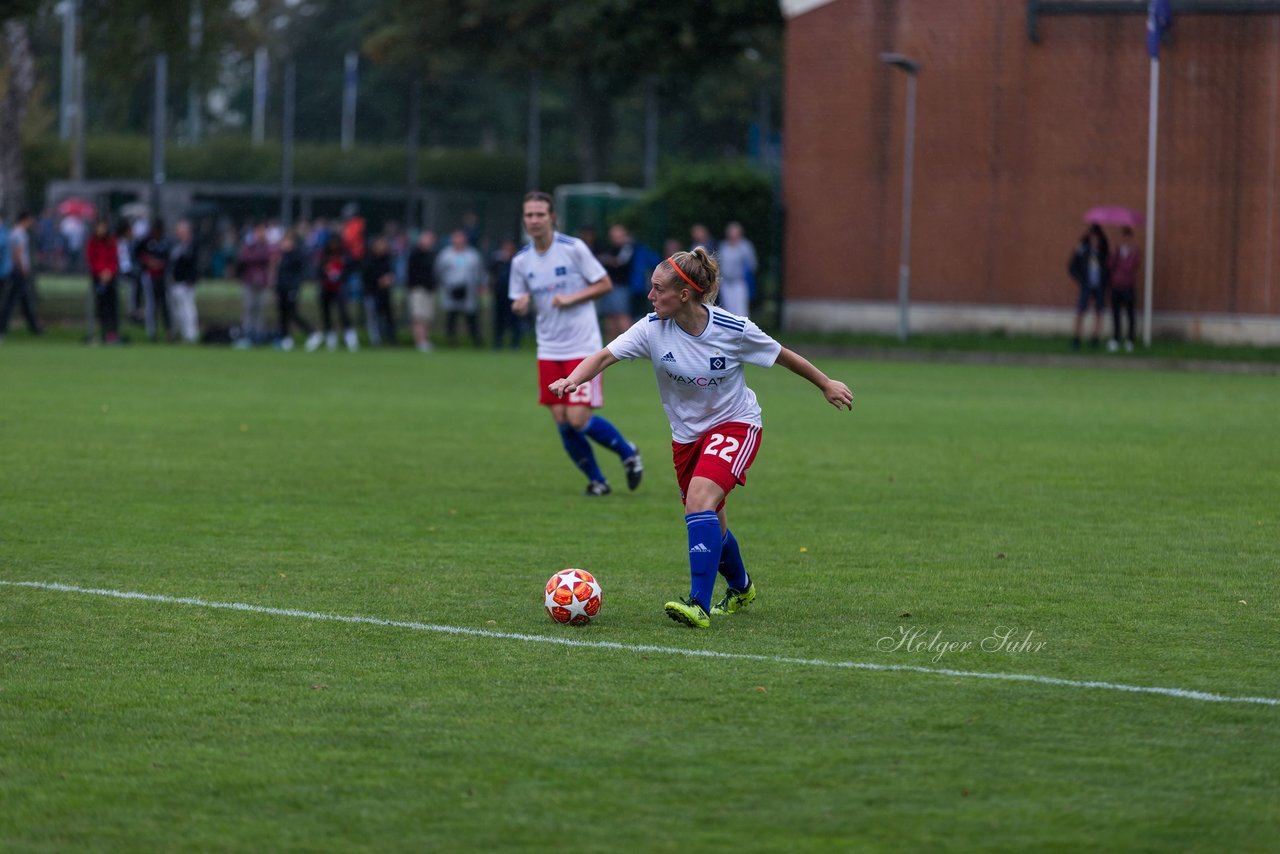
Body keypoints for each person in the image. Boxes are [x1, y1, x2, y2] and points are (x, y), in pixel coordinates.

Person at [549, 248, 853, 627]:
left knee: (698, 502)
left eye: (658, 289)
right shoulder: (650, 329)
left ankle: (698, 603)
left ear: (684, 295)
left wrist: (825, 383)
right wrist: (573, 380)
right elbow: (603, 357)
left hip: (736, 425)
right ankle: (741, 587)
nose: (650, 296)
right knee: (713, 522)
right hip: (686, 439)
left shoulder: (733, 329)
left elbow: (782, 355)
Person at [510, 191, 644, 497]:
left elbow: (604, 283)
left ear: (552, 217)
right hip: (548, 348)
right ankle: (598, 481)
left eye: (540, 214)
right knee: (562, 421)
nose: (534, 220)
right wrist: (519, 305)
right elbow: (518, 299)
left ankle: (628, 452)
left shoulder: (573, 249)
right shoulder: (521, 260)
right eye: (529, 215)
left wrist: (571, 297)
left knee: (578, 418)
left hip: (582, 346)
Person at [0, 211, 46, 342]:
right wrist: (22, 268)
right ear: (24, 219)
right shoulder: (19, 233)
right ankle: (2, 328)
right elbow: (17, 252)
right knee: (11, 301)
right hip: (17, 271)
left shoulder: (12, 232)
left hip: (13, 270)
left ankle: (34, 326)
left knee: (24, 299)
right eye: (30, 220)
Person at [436, 228, 485, 347]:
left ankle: (476, 341)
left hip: (469, 291)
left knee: (471, 317)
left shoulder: (472, 255)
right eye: (456, 238)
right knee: (451, 316)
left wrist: (480, 285)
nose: (458, 241)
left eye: (460, 238)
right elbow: (439, 271)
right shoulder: (445, 255)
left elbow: (479, 272)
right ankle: (451, 340)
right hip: (451, 290)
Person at [312, 235, 358, 352]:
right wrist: (325, 275)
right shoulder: (324, 258)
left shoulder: (344, 257)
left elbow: (349, 269)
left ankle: (350, 338)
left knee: (343, 312)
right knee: (326, 313)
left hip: (340, 287)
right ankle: (330, 339)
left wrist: (340, 278)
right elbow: (318, 271)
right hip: (326, 288)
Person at [1068, 224, 1109, 350]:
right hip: (1086, 286)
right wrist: (1080, 279)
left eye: (1097, 239)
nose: (1094, 241)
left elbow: (1108, 269)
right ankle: (1076, 338)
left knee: (1098, 311)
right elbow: (1072, 266)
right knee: (1080, 310)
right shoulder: (1083, 251)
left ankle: (1095, 338)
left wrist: (1105, 282)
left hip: (1099, 287)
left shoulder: (1103, 253)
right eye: (1092, 238)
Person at [273, 230, 317, 351]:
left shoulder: (297, 255)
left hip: (292, 287)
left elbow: (302, 271)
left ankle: (312, 332)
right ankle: (285, 339)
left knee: (292, 313)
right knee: (283, 313)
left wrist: (296, 285)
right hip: (282, 287)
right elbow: (279, 274)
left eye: (287, 241)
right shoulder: (282, 256)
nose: (284, 243)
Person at [134, 219, 173, 342]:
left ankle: (169, 331)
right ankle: (152, 332)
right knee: (151, 305)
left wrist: (160, 264)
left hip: (162, 277)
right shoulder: (146, 241)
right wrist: (148, 261)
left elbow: (168, 259)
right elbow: (137, 254)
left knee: (165, 305)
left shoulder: (165, 242)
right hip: (149, 277)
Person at [236, 223, 273, 347]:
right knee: (248, 307)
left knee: (260, 308)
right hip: (249, 281)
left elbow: (268, 257)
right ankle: (247, 334)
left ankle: (258, 335)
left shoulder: (267, 246)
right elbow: (244, 258)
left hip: (262, 281)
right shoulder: (249, 246)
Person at [596, 224, 636, 340]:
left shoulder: (627, 247)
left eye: (617, 234)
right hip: (610, 286)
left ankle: (632, 342)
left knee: (622, 315)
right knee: (610, 317)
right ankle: (611, 347)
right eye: (613, 235)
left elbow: (619, 262)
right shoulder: (610, 248)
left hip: (621, 287)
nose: (614, 237)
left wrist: (607, 260)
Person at [85, 219, 121, 344]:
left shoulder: (111, 242)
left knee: (113, 305)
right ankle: (105, 332)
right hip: (98, 277)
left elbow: (114, 259)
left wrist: (109, 272)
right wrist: (100, 273)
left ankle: (114, 332)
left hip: (111, 276)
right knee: (102, 306)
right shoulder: (92, 242)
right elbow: (91, 260)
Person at [1108, 226, 1140, 352]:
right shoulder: (1116, 250)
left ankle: (1130, 339)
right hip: (1116, 286)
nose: (1125, 240)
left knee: (1130, 314)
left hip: (1128, 286)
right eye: (1123, 237)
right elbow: (1110, 264)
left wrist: (1123, 258)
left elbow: (1131, 267)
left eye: (1127, 237)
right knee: (1116, 314)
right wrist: (1115, 253)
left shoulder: (1135, 252)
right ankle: (1115, 338)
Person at [406, 230, 438, 353]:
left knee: (426, 317)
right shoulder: (415, 254)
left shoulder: (431, 255)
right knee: (418, 316)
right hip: (418, 289)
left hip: (429, 290)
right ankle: (420, 341)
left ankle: (424, 339)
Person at [717, 222, 758, 317]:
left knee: (741, 309)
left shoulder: (745, 246)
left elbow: (752, 264)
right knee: (728, 309)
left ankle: (742, 331)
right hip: (725, 282)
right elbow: (718, 263)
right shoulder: (723, 246)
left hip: (739, 282)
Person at [362, 236, 398, 346]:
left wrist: (389, 279)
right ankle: (376, 340)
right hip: (372, 293)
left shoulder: (387, 260)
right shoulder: (368, 260)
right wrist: (379, 281)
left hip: (384, 293)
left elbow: (391, 274)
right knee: (373, 317)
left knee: (388, 316)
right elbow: (366, 277)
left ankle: (391, 339)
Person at [169, 220, 200, 344]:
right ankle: (181, 332)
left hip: (186, 283)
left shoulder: (192, 246)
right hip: (175, 281)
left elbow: (193, 264)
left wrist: (191, 279)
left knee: (188, 309)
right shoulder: (176, 246)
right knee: (177, 310)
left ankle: (191, 334)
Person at [489, 238, 523, 350]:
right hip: (500, 295)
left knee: (515, 320)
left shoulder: (518, 260)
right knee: (499, 320)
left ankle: (515, 344)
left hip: (515, 296)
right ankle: (498, 343)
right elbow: (491, 273)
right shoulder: (497, 260)